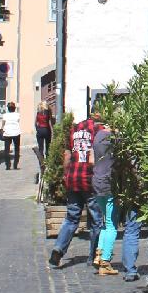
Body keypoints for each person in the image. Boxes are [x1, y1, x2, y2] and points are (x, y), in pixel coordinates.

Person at [48, 112, 101, 268]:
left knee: (71, 218)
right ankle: (93, 257)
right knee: (97, 220)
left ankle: (58, 249)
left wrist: (66, 175)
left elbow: (67, 155)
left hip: (73, 177)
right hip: (89, 179)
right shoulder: (98, 130)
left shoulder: (74, 129)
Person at [90, 116, 119, 277]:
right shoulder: (112, 138)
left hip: (97, 180)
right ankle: (105, 261)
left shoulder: (98, 136)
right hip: (108, 182)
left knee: (104, 222)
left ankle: (99, 254)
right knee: (111, 225)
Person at [0, 101, 22, 170]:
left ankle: (7, 165)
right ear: (14, 108)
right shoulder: (17, 115)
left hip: (7, 133)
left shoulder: (5, 115)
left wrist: (2, 129)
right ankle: (15, 164)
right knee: (17, 149)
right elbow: (18, 121)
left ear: (8, 108)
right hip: (16, 133)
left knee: (7, 150)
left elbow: (3, 124)